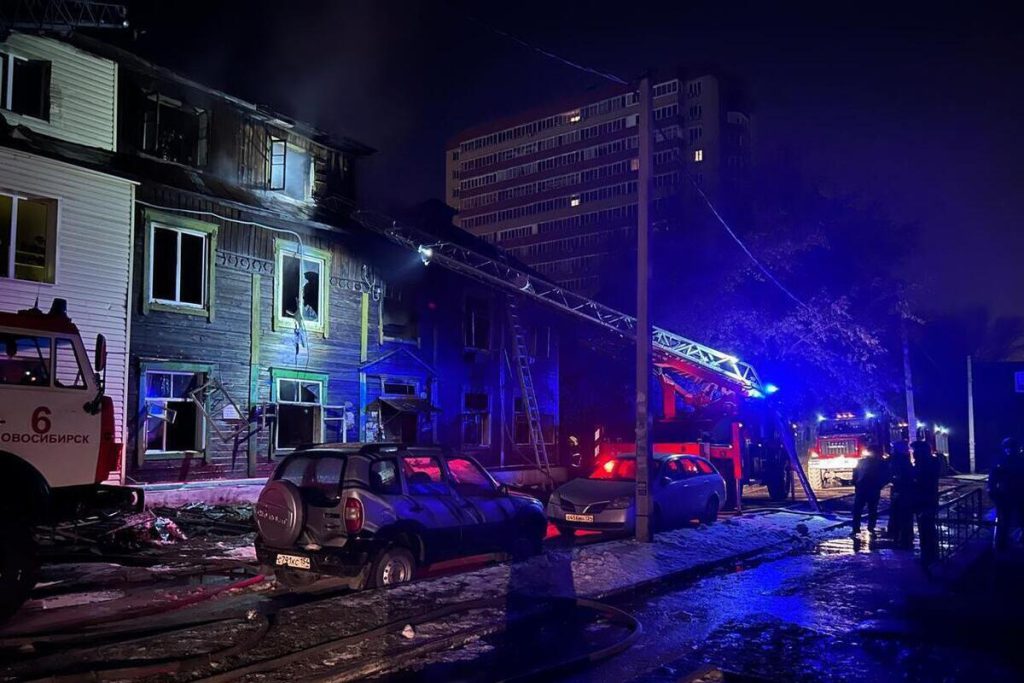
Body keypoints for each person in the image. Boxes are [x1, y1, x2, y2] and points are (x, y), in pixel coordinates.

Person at [989, 437, 1024, 551]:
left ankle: (1003, 544)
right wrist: (992, 491)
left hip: (1015, 494)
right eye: (1008, 447)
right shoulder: (1002, 461)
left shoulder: (1008, 461)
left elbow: (993, 478)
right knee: (1005, 520)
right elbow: (993, 477)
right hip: (1007, 495)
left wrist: (992, 490)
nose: (1009, 450)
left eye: (1011, 447)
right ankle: (1001, 544)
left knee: (1009, 519)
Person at [912, 440, 941, 564]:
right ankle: (930, 554)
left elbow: (920, 481)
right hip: (928, 499)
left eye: (914, 450)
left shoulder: (924, 465)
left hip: (924, 499)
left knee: (926, 528)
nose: (913, 453)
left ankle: (929, 555)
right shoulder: (930, 462)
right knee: (927, 528)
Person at [852, 444, 888, 536]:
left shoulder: (879, 463)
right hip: (866, 487)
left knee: (865, 508)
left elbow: (856, 473)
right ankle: (862, 527)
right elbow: (856, 473)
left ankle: (863, 527)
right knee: (868, 509)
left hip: (868, 488)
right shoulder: (877, 462)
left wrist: (879, 485)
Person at [887, 440, 915, 549]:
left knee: (900, 515)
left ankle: (900, 537)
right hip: (902, 491)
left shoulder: (897, 459)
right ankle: (904, 538)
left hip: (900, 491)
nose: (907, 450)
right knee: (903, 516)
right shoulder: (901, 460)